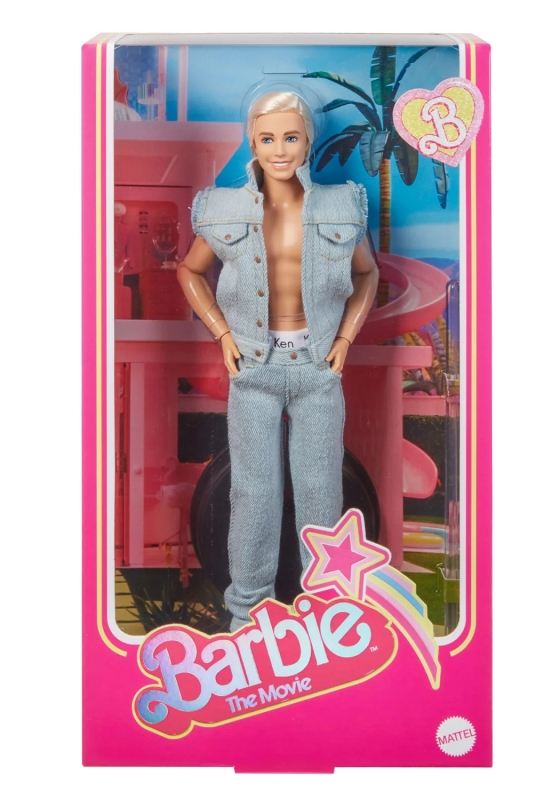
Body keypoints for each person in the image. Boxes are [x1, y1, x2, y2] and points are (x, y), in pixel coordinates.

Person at [177, 91, 378, 631]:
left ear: (308, 140)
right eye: (268, 138)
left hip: (317, 367)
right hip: (254, 368)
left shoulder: (340, 205)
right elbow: (189, 271)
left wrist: (345, 338)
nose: (280, 149)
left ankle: (327, 611)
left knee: (320, 491)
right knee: (254, 493)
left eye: (291, 137)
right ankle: (248, 615)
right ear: (252, 142)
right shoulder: (224, 208)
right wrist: (222, 332)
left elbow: (367, 274)